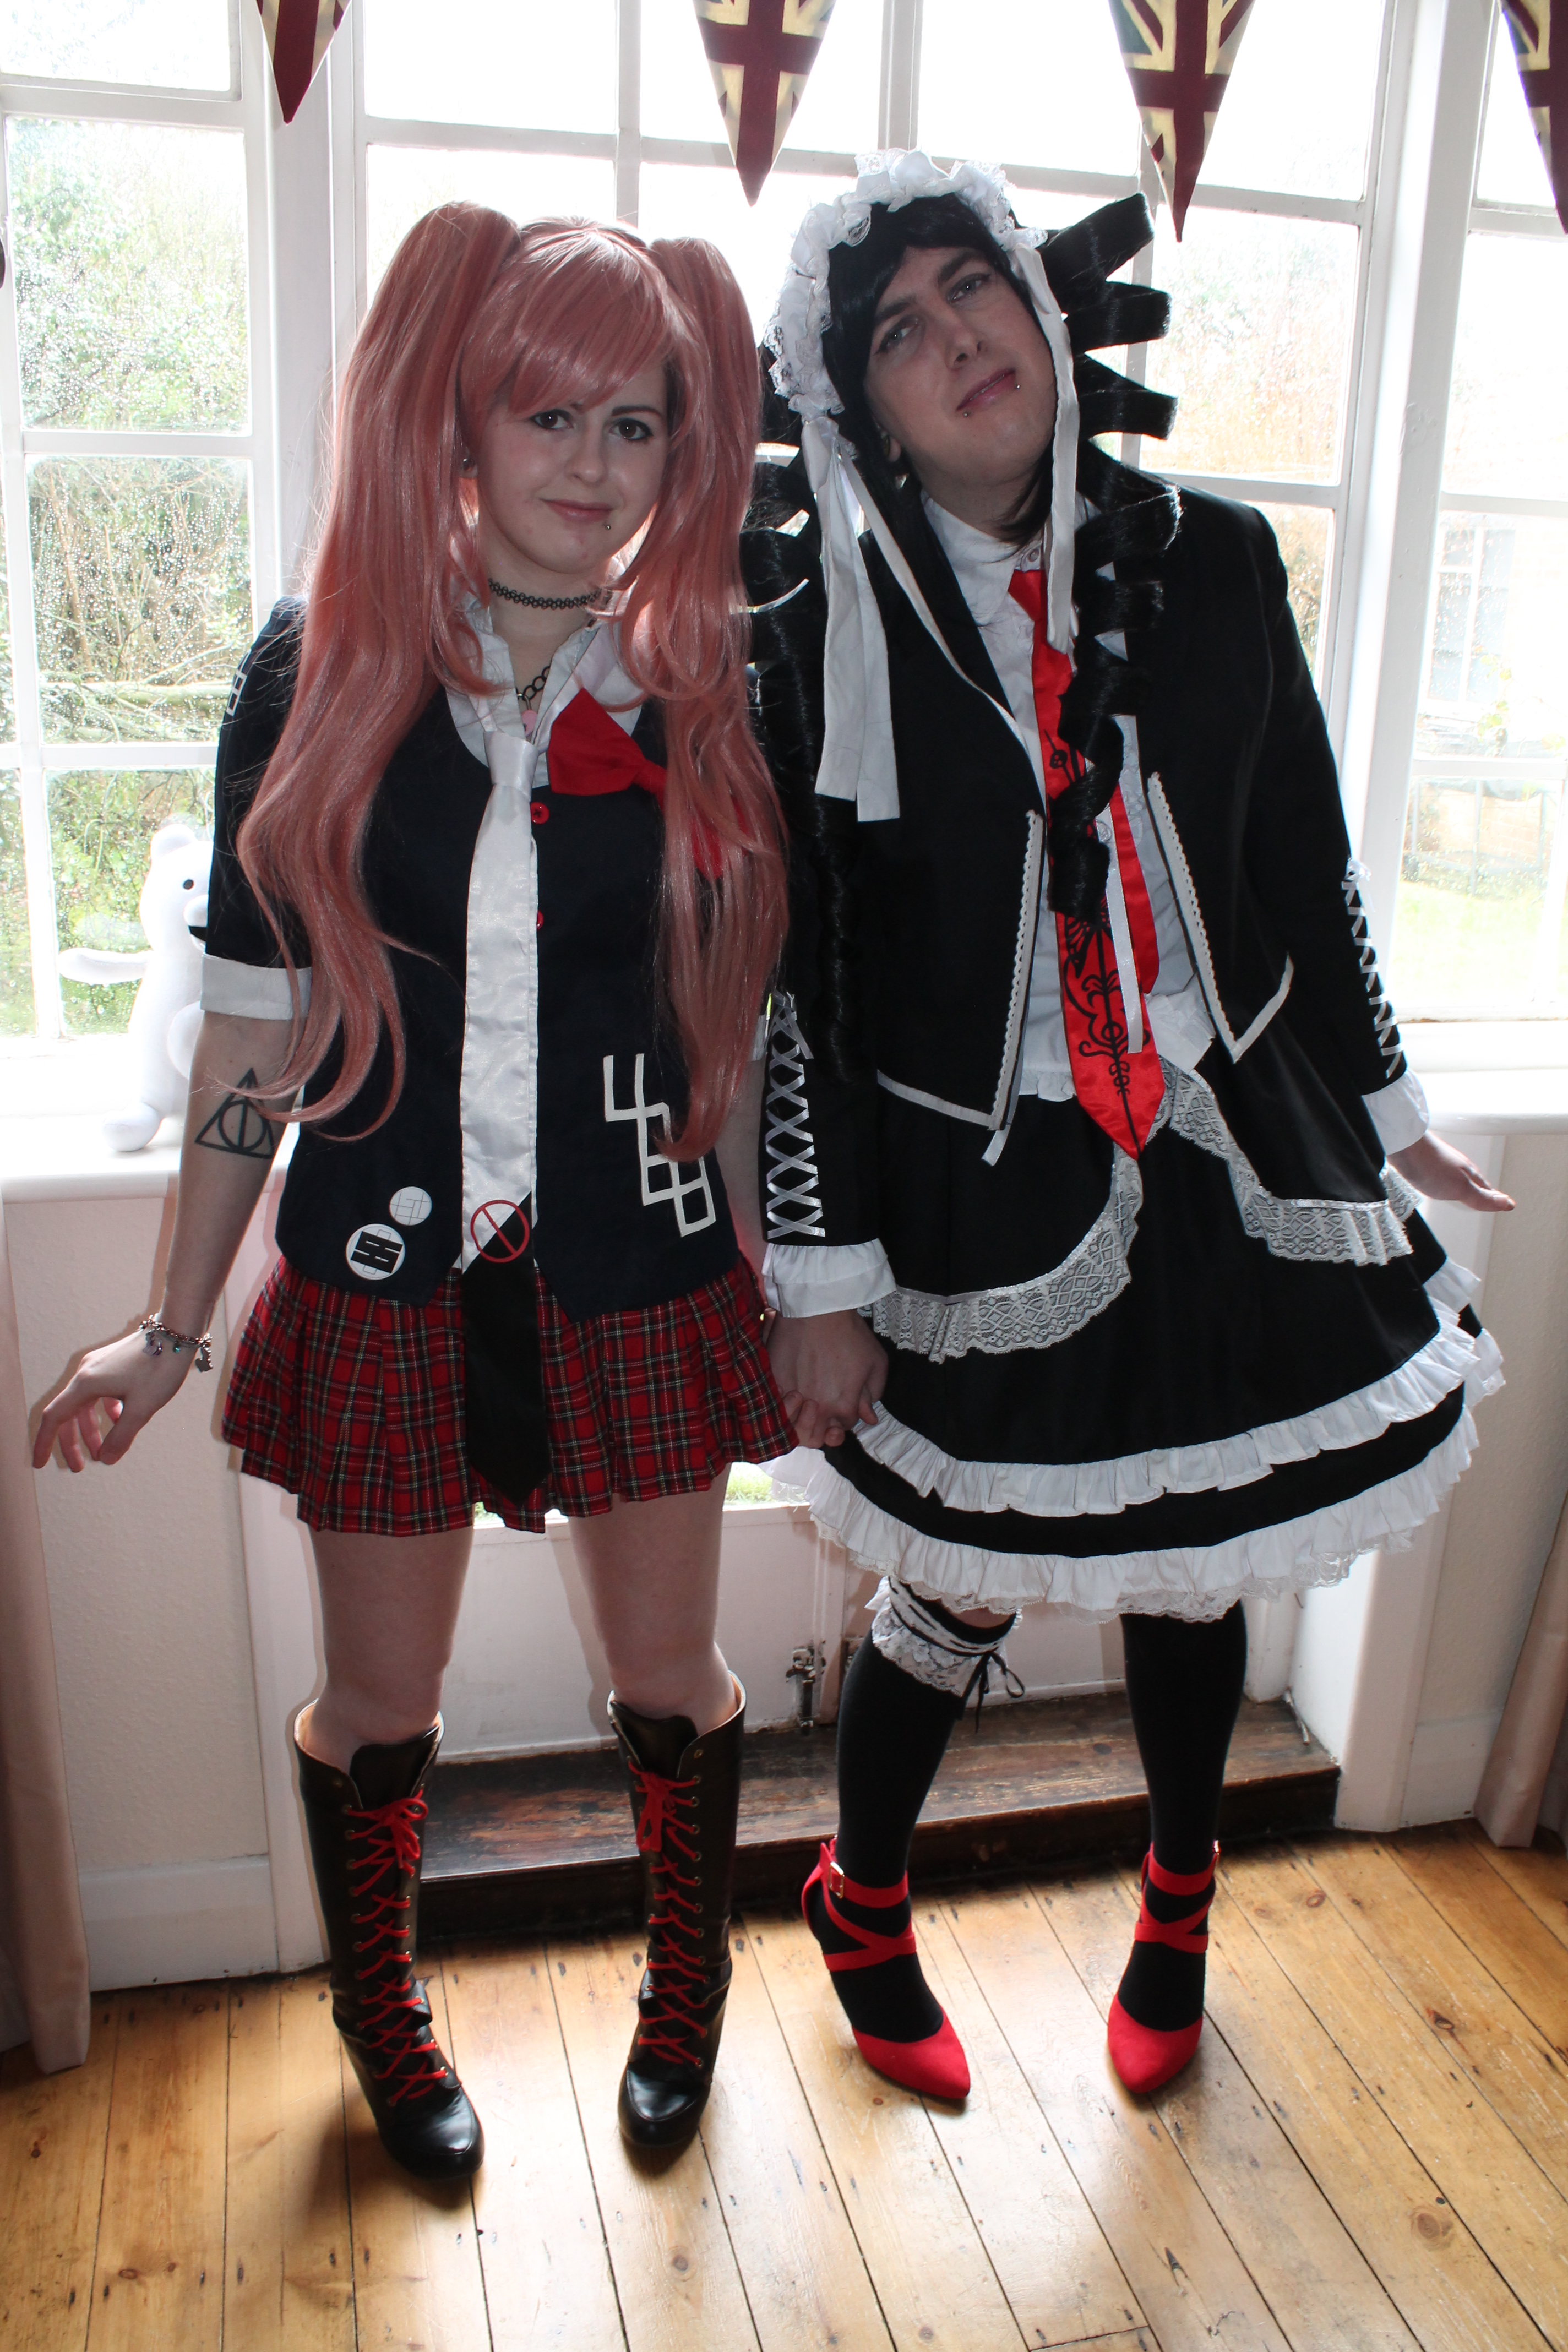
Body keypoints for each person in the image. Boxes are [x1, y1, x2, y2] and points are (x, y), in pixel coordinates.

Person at [34, 204, 794, 2169]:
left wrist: (799, 1287)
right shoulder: (319, 670)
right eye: (547, 414)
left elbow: (748, 1028)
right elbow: (250, 1035)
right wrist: (167, 1329)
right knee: (381, 1698)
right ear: (457, 417)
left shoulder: (707, 683)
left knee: (668, 1675)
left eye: (635, 423)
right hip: (383, 1264)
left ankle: (688, 1991)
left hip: (639, 1263)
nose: (591, 467)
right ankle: (384, 2012)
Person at [744, 154, 1510, 2104]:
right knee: (957, 1574)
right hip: (974, 1173)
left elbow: (1306, 859)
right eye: (898, 331)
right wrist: (819, 1280)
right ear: (859, 406)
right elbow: (799, 987)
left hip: (1222, 1137)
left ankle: (1180, 1900)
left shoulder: (1222, 561)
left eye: (974, 287)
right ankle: (860, 1896)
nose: (957, 340)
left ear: (1044, 304)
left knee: (1194, 1559)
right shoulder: (816, 632)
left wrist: (1392, 1116)